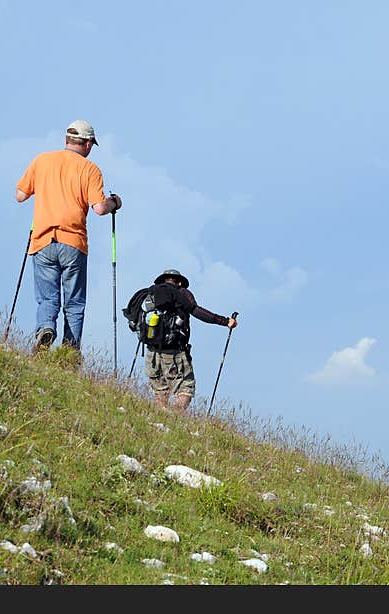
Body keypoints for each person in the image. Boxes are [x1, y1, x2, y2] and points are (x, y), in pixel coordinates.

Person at [15, 119, 122, 355]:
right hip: (73, 242)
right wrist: (115, 202)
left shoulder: (42, 160)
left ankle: (45, 328)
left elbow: (21, 195)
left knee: (47, 297)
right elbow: (100, 209)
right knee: (74, 303)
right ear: (85, 143)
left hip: (42, 239)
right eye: (91, 144)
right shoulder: (90, 169)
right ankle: (70, 353)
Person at [141, 269, 238, 411]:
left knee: (161, 392)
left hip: (151, 353)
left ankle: (159, 421)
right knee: (186, 388)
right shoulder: (182, 294)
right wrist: (225, 321)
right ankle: (174, 417)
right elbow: (197, 311)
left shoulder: (150, 294)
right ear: (179, 282)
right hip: (174, 353)